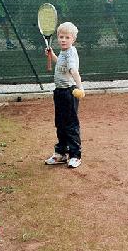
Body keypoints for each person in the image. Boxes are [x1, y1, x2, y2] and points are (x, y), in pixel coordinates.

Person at [44, 22, 84, 169]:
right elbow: (61, 65)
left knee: (71, 125)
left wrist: (80, 87)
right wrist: (52, 55)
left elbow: (73, 70)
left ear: (73, 39)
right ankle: (61, 153)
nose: (63, 40)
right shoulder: (63, 52)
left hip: (69, 92)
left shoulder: (71, 52)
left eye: (67, 37)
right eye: (61, 37)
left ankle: (75, 155)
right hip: (59, 92)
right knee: (60, 124)